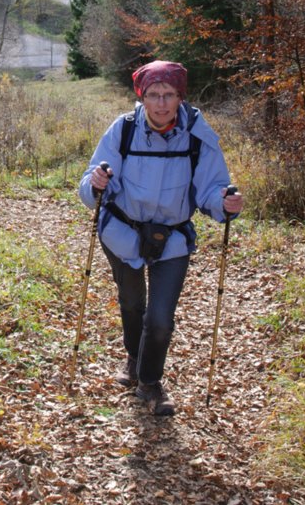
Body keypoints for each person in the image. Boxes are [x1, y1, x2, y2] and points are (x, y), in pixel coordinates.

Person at [78, 60, 244, 416]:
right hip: (122, 232)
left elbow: (212, 189)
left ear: (181, 97)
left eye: (169, 95)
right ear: (142, 96)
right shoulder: (122, 131)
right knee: (132, 303)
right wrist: (97, 184)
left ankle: (150, 383)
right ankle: (133, 358)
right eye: (153, 95)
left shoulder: (198, 135)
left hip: (173, 239)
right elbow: (91, 182)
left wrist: (225, 203)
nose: (161, 103)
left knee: (161, 318)